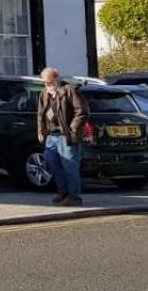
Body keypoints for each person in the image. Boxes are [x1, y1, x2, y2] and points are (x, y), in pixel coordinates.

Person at [36, 67, 89, 205]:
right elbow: (41, 114)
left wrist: (73, 127)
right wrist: (41, 131)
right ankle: (63, 191)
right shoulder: (44, 93)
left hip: (66, 135)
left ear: (57, 78)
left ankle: (74, 197)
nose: (47, 85)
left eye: (49, 82)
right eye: (45, 83)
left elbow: (82, 111)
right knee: (50, 162)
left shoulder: (70, 90)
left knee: (70, 166)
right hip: (51, 135)